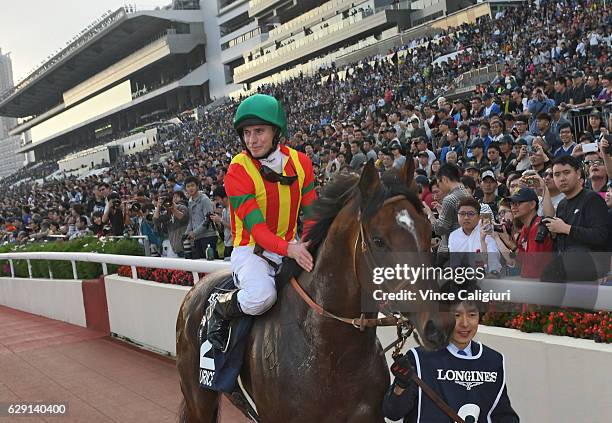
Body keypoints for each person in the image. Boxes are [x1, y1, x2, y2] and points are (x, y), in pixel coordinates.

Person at [207, 94, 316, 351]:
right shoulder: (238, 170)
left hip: (291, 244)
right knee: (262, 297)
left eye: (259, 131)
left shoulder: (301, 162)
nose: (252, 140)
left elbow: (313, 214)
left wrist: (308, 244)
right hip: (251, 251)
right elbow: (258, 230)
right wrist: (292, 249)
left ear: (276, 132)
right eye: (246, 133)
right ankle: (221, 307)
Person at [383, 299, 519, 422]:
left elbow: (503, 415)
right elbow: (393, 412)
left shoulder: (493, 360)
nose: (465, 324)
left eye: (472, 315)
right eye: (456, 315)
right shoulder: (419, 358)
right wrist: (401, 385)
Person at [422, 163, 471, 266]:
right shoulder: (467, 193)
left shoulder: (449, 199)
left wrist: (429, 213)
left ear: (444, 179)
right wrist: (442, 211)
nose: (439, 186)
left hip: (449, 251)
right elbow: (455, 220)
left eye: (439, 183)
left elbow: (440, 229)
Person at [507, 188, 553, 278]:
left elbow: (533, 262)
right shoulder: (525, 227)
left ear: (532, 204)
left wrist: (511, 244)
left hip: (541, 284)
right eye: (512, 204)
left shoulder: (539, 226)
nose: (513, 207)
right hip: (530, 282)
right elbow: (520, 260)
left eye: (518, 203)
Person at [184, 176, 218, 260]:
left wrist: (194, 232)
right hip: (197, 238)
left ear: (197, 186)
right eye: (188, 186)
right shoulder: (190, 201)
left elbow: (208, 219)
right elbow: (191, 220)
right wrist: (186, 233)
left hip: (208, 237)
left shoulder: (204, 199)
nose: (190, 188)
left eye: (192, 185)